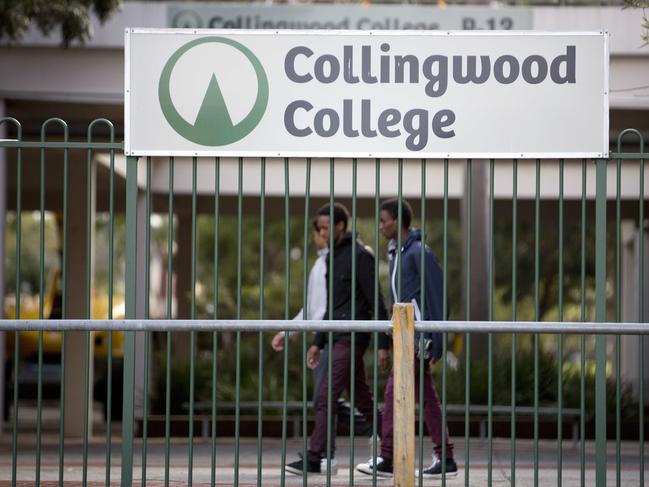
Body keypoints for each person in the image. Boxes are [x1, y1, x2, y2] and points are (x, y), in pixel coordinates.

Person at [356, 198, 457, 479]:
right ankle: (445, 457)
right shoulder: (398, 253)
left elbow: (436, 296)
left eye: (383, 220)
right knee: (426, 397)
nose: (380, 225)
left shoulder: (418, 252)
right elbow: (398, 302)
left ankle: (388, 457)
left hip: (417, 337)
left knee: (392, 394)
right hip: (405, 336)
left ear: (397, 221)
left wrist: (436, 339)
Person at [286, 203, 388, 476]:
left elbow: (375, 301)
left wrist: (383, 345)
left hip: (354, 337)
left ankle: (313, 457)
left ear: (341, 226)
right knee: (361, 397)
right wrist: (318, 342)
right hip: (334, 335)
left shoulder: (361, 256)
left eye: (324, 227)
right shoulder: (332, 258)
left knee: (325, 396)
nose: (320, 232)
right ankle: (390, 440)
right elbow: (331, 306)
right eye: (319, 227)